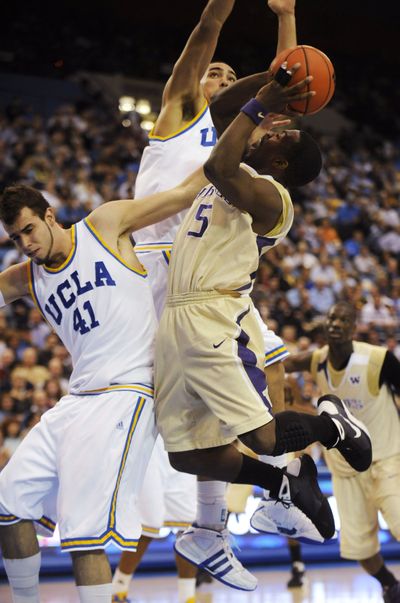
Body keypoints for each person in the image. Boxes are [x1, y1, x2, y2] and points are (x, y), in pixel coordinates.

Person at [154, 65, 372, 591]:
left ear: (279, 160)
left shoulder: (272, 196)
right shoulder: (246, 166)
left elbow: (216, 162)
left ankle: (332, 426)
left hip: (212, 316)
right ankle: (281, 485)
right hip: (176, 317)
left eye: (280, 136)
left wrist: (259, 105)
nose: (271, 128)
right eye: (274, 125)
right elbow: (222, 112)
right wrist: (272, 80)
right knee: (184, 455)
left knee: (264, 434)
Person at [113, 0, 299, 599]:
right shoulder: (176, 115)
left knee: (259, 384)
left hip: (214, 278)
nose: (218, 76)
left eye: (227, 73)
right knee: (162, 407)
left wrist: (286, 15)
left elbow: (286, 80)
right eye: (212, 72)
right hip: (159, 271)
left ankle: (228, 519)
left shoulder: (238, 147)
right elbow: (207, 31)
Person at [0, 170, 206, 603]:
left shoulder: (104, 226)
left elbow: (185, 191)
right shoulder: (26, 277)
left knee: (84, 535)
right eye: (15, 238)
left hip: (127, 393)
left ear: (50, 216)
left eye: (29, 230)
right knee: (7, 502)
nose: (26, 244)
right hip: (77, 400)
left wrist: (247, 122)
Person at [284, 301, 400, 603]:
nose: (335, 323)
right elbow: (282, 362)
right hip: (346, 470)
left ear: (354, 326)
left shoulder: (378, 359)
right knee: (360, 549)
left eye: (343, 319)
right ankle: (390, 585)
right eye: (332, 317)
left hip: (388, 460)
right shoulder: (316, 360)